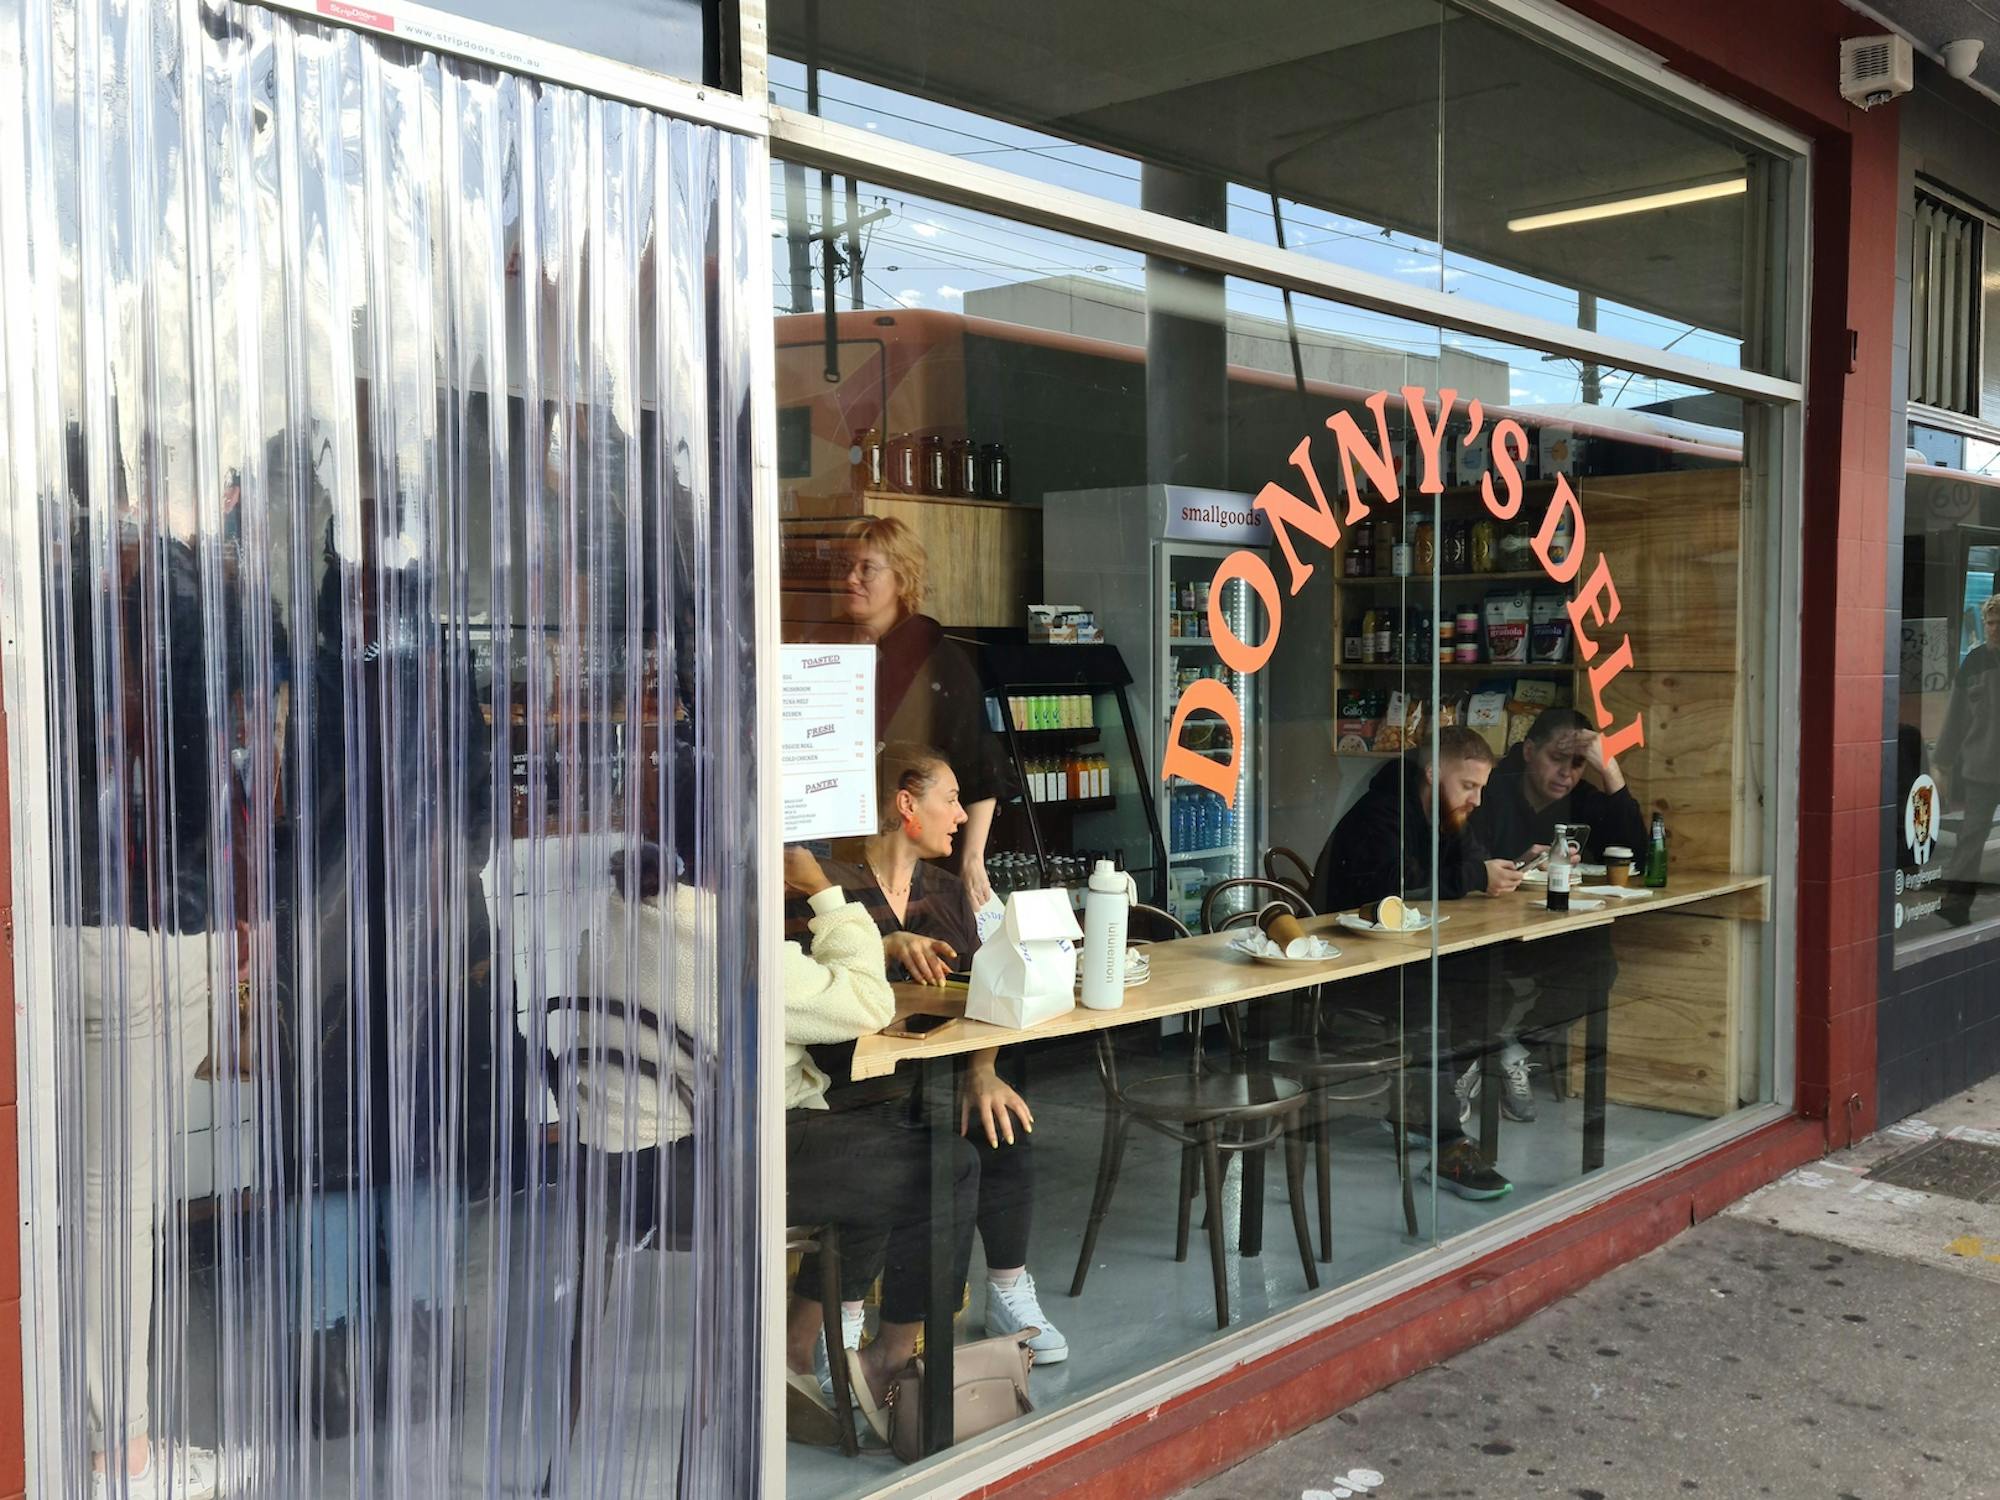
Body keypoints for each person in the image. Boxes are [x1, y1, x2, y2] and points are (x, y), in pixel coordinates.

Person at [553, 840, 977, 1452]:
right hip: (701, 1172)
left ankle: (797, 1352)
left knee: (873, 1150)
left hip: (614, 1175)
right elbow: (867, 1002)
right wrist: (826, 894)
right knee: (946, 1166)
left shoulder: (610, 926)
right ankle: (886, 1358)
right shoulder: (729, 943)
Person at [288, 507, 496, 1437]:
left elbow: (300, 806)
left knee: (380, 1137)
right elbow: (481, 799)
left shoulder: (336, 667)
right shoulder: (424, 661)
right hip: (405, 927)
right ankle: (378, 1351)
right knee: (383, 1134)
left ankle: (373, 1352)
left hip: (384, 930)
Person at [786, 743, 1063, 1389]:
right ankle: (850, 1320)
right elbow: (798, 982)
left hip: (928, 1074)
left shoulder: (945, 890)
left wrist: (982, 1070)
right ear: (907, 804)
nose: (963, 816)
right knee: (914, 1159)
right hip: (845, 1083)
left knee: (1004, 1127)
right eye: (950, 798)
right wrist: (882, 943)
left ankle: (1009, 1291)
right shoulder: (825, 881)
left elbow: (985, 988)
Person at [62, 523, 227, 1500]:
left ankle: (94, 1431)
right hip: (150, 937)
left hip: (66, 926)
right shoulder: (189, 610)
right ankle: (117, 1451)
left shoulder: (58, 612)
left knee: (80, 1202)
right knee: (118, 1209)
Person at [1311, 726, 1523, 1200]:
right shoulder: (1380, 812)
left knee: (1489, 986)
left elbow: (1463, 867)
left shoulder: (1443, 813)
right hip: (1348, 965)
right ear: (1432, 773)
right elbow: (1393, 886)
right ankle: (1449, 1143)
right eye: (1469, 786)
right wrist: (1472, 874)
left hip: (1397, 956)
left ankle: (1423, 1110)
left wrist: (1492, 870)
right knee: (1436, 1000)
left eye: (1482, 788)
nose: (1477, 800)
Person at [1464, 709, 1646, 1122]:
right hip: (1479, 932)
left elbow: (1632, 850)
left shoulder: (1580, 799)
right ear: (1529, 751)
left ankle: (1511, 1048)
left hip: (1546, 928)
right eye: (1556, 758)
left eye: (1578, 763)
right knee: (1481, 980)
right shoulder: (1490, 789)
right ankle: (1471, 1057)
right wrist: (1516, 864)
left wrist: (1610, 769)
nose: (1566, 773)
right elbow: (1463, 861)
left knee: (1597, 964)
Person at [829, 516, 1014, 907]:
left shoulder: (937, 662)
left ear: (902, 578)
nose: (851, 579)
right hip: (840, 850)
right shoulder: (821, 647)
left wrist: (972, 857)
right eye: (845, 567)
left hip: (919, 863)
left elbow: (981, 766)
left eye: (867, 569)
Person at [1937, 596, 2000, 927]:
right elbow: (1956, 716)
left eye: (1999, 623)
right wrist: (1941, 762)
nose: (1993, 629)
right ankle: (1956, 903)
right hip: (1981, 768)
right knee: (1971, 835)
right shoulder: (1974, 662)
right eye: (1990, 622)